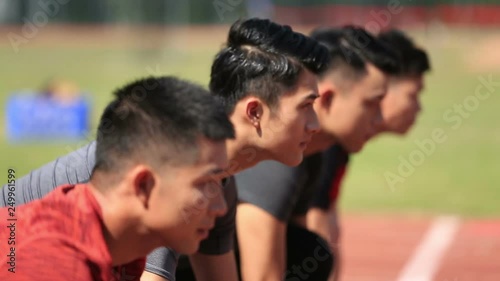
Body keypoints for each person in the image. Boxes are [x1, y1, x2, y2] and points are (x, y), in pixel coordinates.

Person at [1, 18, 329, 281]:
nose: (316, 124)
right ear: (254, 111)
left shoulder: (212, 188)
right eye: (307, 106)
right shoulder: (170, 181)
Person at [0, 76, 235, 281]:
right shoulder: (52, 267)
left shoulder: (122, 248)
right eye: (204, 184)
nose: (220, 207)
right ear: (143, 185)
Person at [234, 26, 400, 281]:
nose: (380, 119)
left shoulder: (311, 156)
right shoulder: (274, 159)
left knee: (311, 253)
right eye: (371, 103)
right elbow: (263, 277)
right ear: (328, 98)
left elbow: (302, 253)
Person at [305, 28, 431, 281]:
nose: (418, 108)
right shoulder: (322, 143)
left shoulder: (337, 144)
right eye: (412, 95)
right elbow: (316, 231)